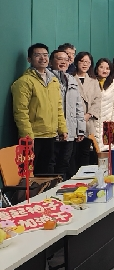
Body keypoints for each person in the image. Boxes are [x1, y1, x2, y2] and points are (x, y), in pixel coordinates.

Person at [11, 44, 67, 175]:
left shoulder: (54, 81)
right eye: (37, 55)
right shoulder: (24, 82)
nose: (42, 58)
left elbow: (58, 107)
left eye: (45, 55)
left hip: (51, 135)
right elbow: (20, 112)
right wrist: (28, 137)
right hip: (34, 137)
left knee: (47, 173)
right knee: (30, 175)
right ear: (29, 59)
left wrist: (62, 128)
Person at [49, 49, 84, 179]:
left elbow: (78, 106)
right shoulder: (48, 79)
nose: (63, 62)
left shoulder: (71, 79)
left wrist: (80, 129)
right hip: (54, 131)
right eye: (59, 59)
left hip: (70, 130)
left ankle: (62, 187)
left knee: (65, 163)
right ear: (51, 61)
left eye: (66, 59)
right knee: (51, 164)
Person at [73, 52, 101, 166]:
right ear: (76, 62)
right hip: (74, 121)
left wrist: (88, 114)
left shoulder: (93, 81)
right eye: (82, 61)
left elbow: (98, 100)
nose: (85, 64)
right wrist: (79, 117)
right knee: (73, 153)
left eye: (88, 62)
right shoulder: (70, 78)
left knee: (86, 152)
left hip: (88, 121)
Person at [94, 58, 114, 151]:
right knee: (93, 151)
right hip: (94, 123)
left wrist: (113, 122)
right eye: (101, 67)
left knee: (108, 149)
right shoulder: (91, 82)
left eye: (107, 68)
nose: (104, 70)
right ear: (96, 68)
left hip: (109, 122)